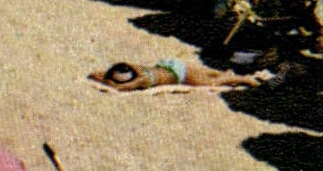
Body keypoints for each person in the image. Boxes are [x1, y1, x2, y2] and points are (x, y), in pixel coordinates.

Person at [90, 58, 280, 91]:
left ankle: (243, 79)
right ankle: (227, 73)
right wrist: (103, 75)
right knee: (206, 72)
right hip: (172, 64)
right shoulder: (138, 69)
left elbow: (120, 86)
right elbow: (99, 73)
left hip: (177, 75)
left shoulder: (143, 80)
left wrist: (106, 80)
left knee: (209, 83)